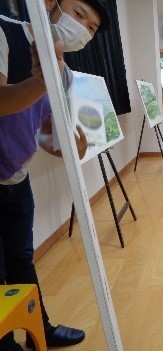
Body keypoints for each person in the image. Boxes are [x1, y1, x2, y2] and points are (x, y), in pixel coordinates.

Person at [0, 1, 110, 350]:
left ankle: (39, 331)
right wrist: (40, 81)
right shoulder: (6, 33)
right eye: (78, 14)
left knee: (21, 261)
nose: (83, 30)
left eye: (91, 28)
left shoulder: (60, 69)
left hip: (16, 176)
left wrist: (69, 147)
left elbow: (44, 130)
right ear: (52, 4)